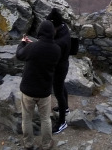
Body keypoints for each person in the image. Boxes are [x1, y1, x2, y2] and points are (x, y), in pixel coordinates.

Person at [16, 20, 61, 150]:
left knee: (27, 119)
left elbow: (19, 55)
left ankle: (28, 144)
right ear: (52, 33)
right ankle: (46, 144)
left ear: (40, 31)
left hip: (28, 90)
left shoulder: (32, 47)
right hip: (44, 90)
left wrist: (23, 43)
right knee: (46, 119)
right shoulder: (56, 50)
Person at [46, 8, 71, 134]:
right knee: (61, 86)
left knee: (58, 92)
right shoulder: (64, 28)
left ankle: (62, 122)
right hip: (63, 65)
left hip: (59, 67)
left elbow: (50, 50)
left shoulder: (60, 42)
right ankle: (65, 108)